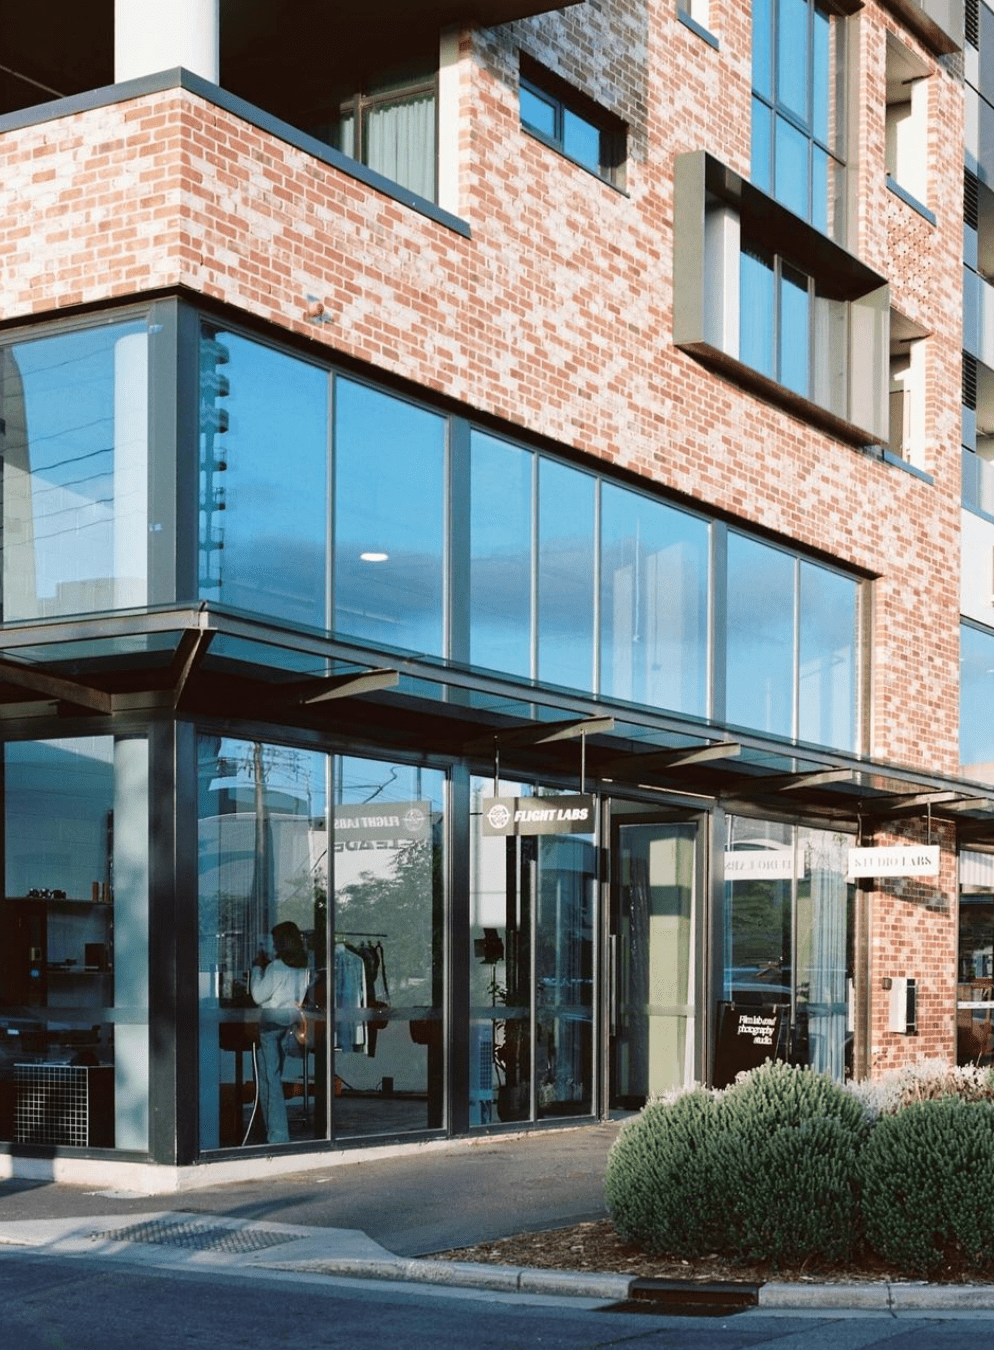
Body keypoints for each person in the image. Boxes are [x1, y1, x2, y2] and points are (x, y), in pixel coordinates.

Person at [250, 920, 309, 1143]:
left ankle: (277, 1134)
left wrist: (257, 969)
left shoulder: (276, 967)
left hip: (271, 1022)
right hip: (289, 1021)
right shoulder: (303, 966)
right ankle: (271, 1131)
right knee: (272, 1077)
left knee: (270, 1080)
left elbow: (258, 995)